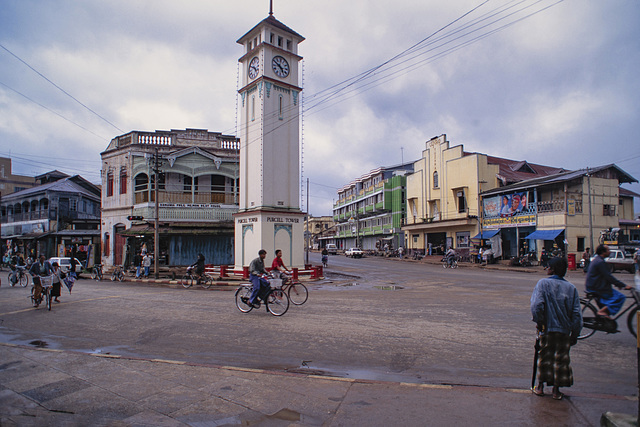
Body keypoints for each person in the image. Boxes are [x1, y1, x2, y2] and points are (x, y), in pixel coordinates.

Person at [531, 257, 582, 400]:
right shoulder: (571, 288)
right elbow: (576, 314)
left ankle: (540, 387)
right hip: (564, 331)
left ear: (552, 269)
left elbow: (536, 306)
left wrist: (539, 322)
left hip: (547, 328)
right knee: (561, 360)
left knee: (544, 357)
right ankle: (556, 391)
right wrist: (575, 334)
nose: (546, 269)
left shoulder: (542, 284)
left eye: (547, 267)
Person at [585, 244, 632, 318]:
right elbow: (609, 277)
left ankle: (605, 316)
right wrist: (623, 285)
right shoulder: (600, 262)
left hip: (595, 286)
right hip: (597, 288)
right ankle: (602, 311)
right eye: (608, 250)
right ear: (603, 252)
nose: (609, 252)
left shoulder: (597, 260)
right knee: (620, 297)